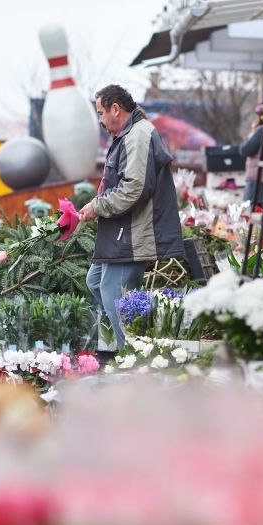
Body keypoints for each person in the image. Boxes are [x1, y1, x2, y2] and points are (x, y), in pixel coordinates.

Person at [79, 85, 184, 348]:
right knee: (96, 282)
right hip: (120, 232)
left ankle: (134, 358)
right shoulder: (130, 133)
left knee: (114, 294)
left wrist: (97, 206)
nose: (101, 120)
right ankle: (133, 345)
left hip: (132, 235)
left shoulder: (137, 135)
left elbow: (134, 188)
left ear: (116, 108)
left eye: (102, 113)